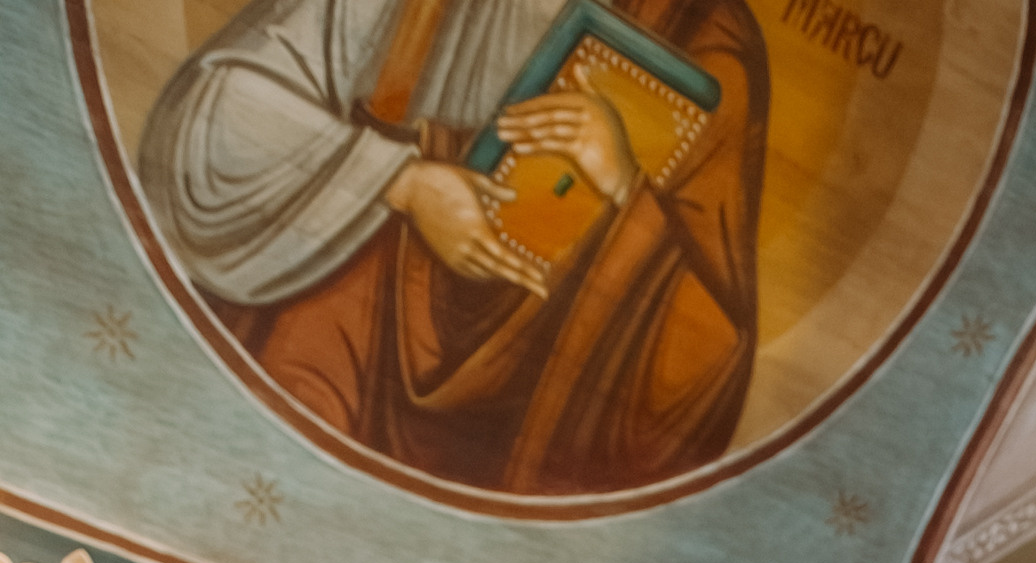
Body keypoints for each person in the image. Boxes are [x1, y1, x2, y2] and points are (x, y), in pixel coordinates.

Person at [136, 0, 772, 502]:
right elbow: (205, 127)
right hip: (340, 359)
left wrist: (622, 185)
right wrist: (401, 182)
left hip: (523, 429)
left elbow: (708, 366)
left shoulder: (704, 34)